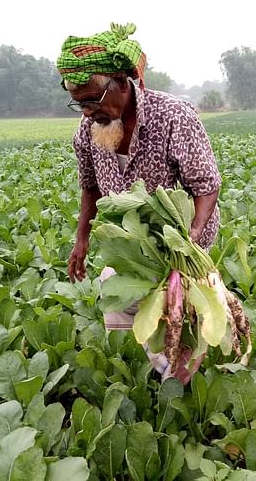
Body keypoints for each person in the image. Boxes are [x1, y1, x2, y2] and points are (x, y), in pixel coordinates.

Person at [57, 23, 221, 384]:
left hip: (183, 241)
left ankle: (183, 382)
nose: (86, 111)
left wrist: (189, 242)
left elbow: (206, 187)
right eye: (78, 103)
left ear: (122, 83)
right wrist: (80, 240)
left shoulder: (172, 116)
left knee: (184, 314)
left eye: (92, 100)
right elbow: (90, 189)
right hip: (135, 245)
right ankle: (170, 368)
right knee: (131, 299)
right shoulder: (89, 131)